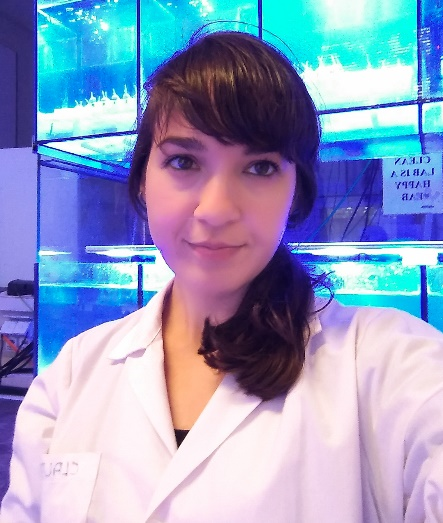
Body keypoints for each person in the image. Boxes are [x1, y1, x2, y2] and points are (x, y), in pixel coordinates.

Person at [2, 30, 443, 523]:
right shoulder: (69, 378)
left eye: (260, 168)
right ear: (142, 179)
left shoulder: (392, 366)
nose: (214, 209)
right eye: (184, 161)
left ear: (296, 192)